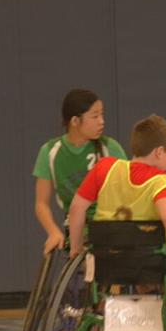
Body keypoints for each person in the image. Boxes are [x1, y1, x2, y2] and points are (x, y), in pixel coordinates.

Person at [68, 115, 166, 263]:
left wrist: (75, 248)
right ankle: (148, 286)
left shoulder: (104, 168)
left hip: (106, 258)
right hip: (148, 261)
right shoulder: (159, 181)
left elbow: (76, 209)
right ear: (160, 152)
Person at [32, 89, 126, 254]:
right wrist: (53, 232)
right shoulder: (49, 152)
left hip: (111, 226)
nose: (101, 121)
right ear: (75, 121)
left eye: (102, 115)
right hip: (77, 228)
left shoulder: (110, 148)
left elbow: (129, 193)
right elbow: (41, 204)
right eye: (95, 116)